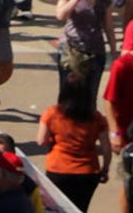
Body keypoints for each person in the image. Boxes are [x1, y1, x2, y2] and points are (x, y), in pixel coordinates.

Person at [39, 74, 112, 213]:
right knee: (80, 209)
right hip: (88, 171)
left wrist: (54, 140)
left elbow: (41, 140)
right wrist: (105, 168)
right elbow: (106, 147)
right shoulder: (96, 117)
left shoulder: (52, 113)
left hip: (58, 169)